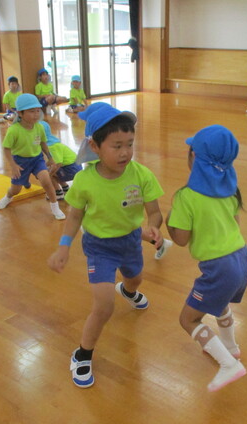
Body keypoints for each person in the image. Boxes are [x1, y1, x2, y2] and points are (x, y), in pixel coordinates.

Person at [47, 106, 165, 388]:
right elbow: (74, 216)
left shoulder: (141, 174)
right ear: (95, 147)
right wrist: (63, 247)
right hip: (99, 247)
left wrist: (154, 226)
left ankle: (129, 290)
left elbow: (155, 211)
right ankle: (82, 353)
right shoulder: (85, 180)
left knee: (135, 279)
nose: (125, 152)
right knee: (104, 305)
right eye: (117, 146)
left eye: (130, 144)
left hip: (131, 241)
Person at [166, 125, 247, 392]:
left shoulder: (186, 196)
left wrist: (169, 220)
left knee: (188, 319)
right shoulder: (231, 189)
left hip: (220, 268)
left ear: (193, 157)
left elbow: (181, 239)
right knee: (220, 302)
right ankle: (231, 347)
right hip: (243, 258)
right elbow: (235, 224)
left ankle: (228, 364)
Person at [77, 103, 173, 260]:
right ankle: (158, 242)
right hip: (108, 226)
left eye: (129, 144)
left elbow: (153, 211)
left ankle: (157, 242)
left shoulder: (112, 160)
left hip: (116, 227)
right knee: (117, 224)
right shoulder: (93, 158)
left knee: (120, 225)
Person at [0, 93, 66, 220]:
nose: (36, 114)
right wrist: (13, 165)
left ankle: (55, 207)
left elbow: (43, 143)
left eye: (38, 110)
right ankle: (8, 197)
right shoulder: (14, 130)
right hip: (20, 162)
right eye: (31, 111)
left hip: (37, 159)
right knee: (16, 190)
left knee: (46, 181)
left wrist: (50, 158)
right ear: (20, 113)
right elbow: (6, 149)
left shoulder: (39, 127)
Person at [39, 120, 81, 199]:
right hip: (74, 167)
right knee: (52, 170)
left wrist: (48, 174)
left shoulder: (52, 146)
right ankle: (65, 188)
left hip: (71, 169)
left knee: (48, 174)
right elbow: (54, 161)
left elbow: (58, 164)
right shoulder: (53, 142)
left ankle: (58, 192)